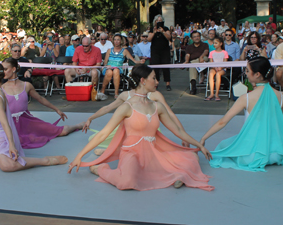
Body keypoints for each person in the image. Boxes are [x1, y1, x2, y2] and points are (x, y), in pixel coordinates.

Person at [68, 64, 214, 191]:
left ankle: (175, 174)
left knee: (191, 157)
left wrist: (199, 145)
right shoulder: (127, 106)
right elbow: (103, 133)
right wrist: (80, 156)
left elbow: (178, 130)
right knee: (127, 182)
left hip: (153, 151)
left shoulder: (158, 106)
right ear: (143, 81)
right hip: (131, 153)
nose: (157, 82)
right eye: (154, 78)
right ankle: (100, 169)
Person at [0, 58, 85, 149]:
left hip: (27, 120)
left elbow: (41, 99)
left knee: (61, 131)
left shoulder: (26, 85)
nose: (3, 72)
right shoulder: (1, 89)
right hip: (10, 123)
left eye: (5, 69)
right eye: (2, 69)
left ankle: (78, 125)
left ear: (14, 69)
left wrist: (57, 109)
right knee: (5, 143)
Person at [97, 34, 141, 100]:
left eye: (118, 40)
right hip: (108, 68)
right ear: (113, 41)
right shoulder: (109, 50)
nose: (116, 41)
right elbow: (105, 62)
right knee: (109, 71)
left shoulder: (125, 51)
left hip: (118, 68)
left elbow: (134, 60)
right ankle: (102, 90)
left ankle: (116, 92)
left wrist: (141, 62)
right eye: (115, 40)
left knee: (116, 70)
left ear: (121, 41)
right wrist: (107, 66)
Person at [148, 15, 172, 91]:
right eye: (157, 21)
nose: (158, 22)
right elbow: (149, 39)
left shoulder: (166, 29)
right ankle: (156, 82)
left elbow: (169, 38)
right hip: (155, 50)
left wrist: (163, 31)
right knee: (155, 67)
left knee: (166, 66)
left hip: (164, 50)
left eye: (160, 21)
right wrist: (154, 32)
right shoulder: (152, 29)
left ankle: (167, 83)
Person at [205, 37, 229, 101]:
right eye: (214, 43)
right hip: (214, 67)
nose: (214, 44)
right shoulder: (212, 52)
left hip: (222, 68)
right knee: (211, 73)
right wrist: (214, 67)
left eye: (216, 43)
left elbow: (225, 63)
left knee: (218, 74)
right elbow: (211, 62)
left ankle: (217, 93)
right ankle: (211, 93)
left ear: (221, 44)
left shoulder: (224, 52)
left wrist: (220, 67)